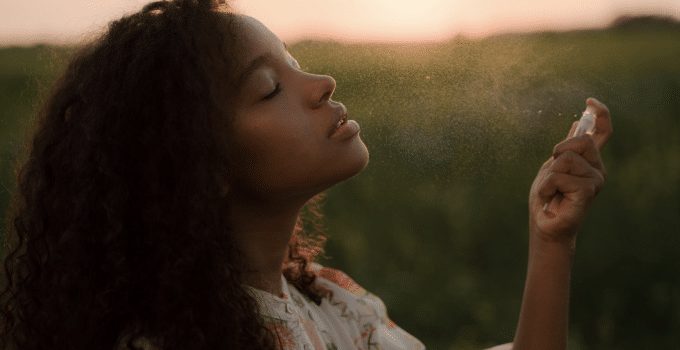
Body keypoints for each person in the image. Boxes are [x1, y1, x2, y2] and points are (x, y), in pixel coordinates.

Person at [0, 0, 612, 349]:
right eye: (269, 88)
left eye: (294, 64)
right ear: (199, 166)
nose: (322, 85)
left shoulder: (332, 301)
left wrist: (551, 240)